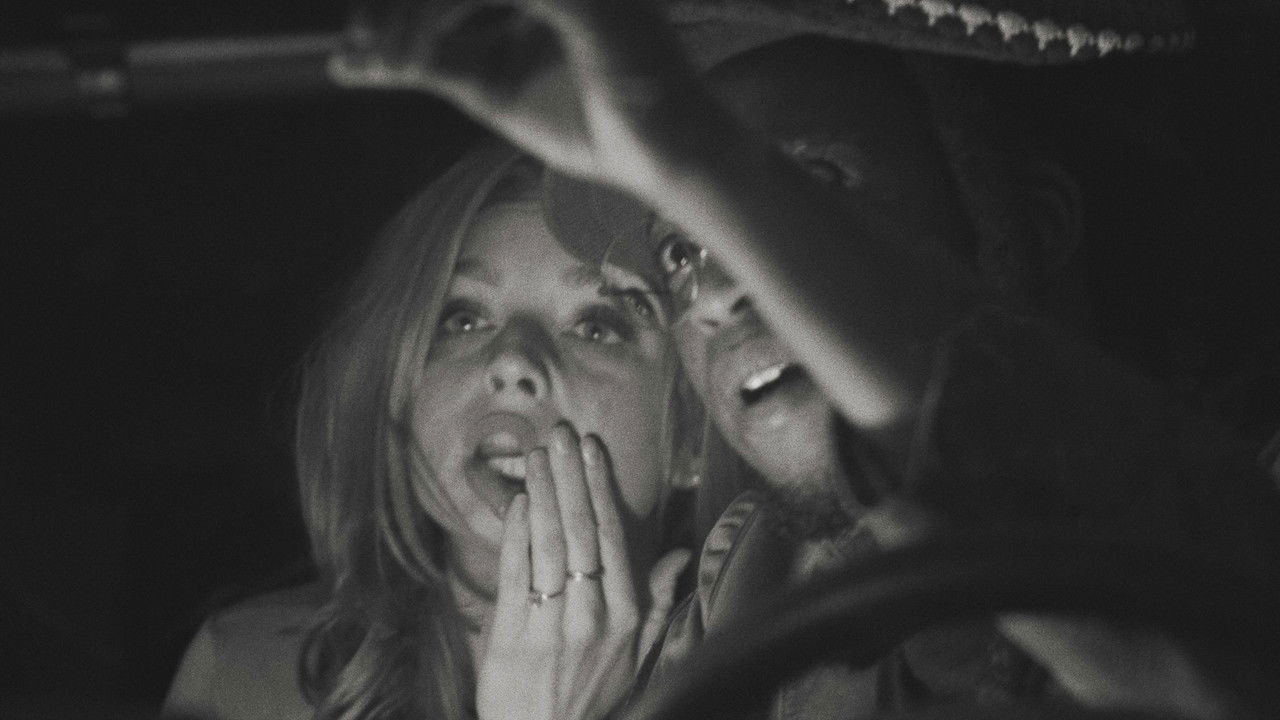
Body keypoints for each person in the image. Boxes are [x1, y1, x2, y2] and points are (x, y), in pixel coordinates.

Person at [329, 1, 1280, 718]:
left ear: (1030, 221)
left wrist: (693, 150)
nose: (712, 290)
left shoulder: (1225, 534)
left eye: (809, 185)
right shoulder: (768, 612)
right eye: (678, 253)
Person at [161, 141, 693, 720]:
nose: (512, 360)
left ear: (694, 431)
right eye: (463, 319)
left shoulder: (763, 688)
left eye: (596, 326)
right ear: (398, 388)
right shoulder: (243, 677)